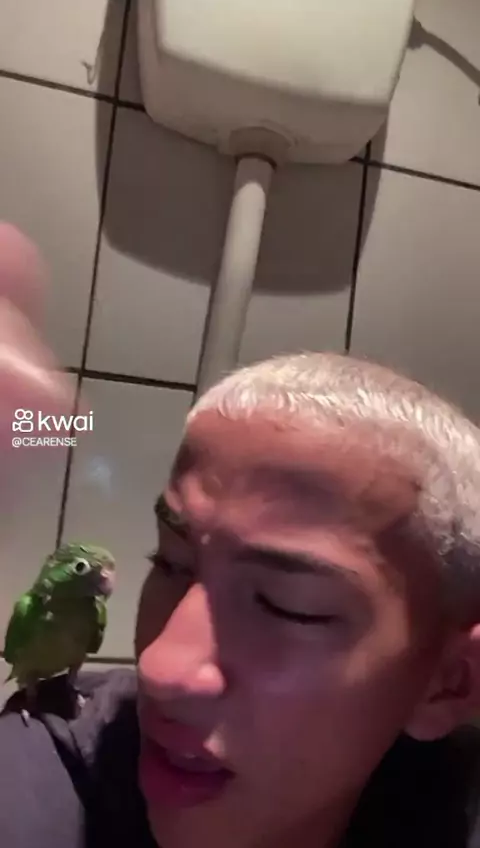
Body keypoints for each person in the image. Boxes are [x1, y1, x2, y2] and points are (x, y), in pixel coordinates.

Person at [2, 223, 480, 848]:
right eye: (169, 563)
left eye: (287, 606)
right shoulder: (46, 762)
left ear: (449, 682)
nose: (159, 668)